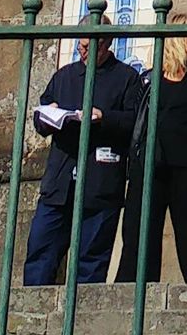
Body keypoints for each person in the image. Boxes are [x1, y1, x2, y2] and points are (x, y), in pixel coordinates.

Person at [23, 35, 145, 286]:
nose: (84, 51)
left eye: (90, 46)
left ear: (107, 44)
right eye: (81, 45)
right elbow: (41, 115)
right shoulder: (65, 77)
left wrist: (104, 118)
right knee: (41, 251)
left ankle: (79, 319)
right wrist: (47, 116)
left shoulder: (126, 78)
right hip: (60, 183)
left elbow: (135, 121)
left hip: (100, 183)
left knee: (91, 261)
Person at [118, 20, 187, 282]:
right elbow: (136, 124)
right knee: (140, 238)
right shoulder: (148, 81)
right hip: (149, 167)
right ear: (174, 38)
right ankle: (135, 296)